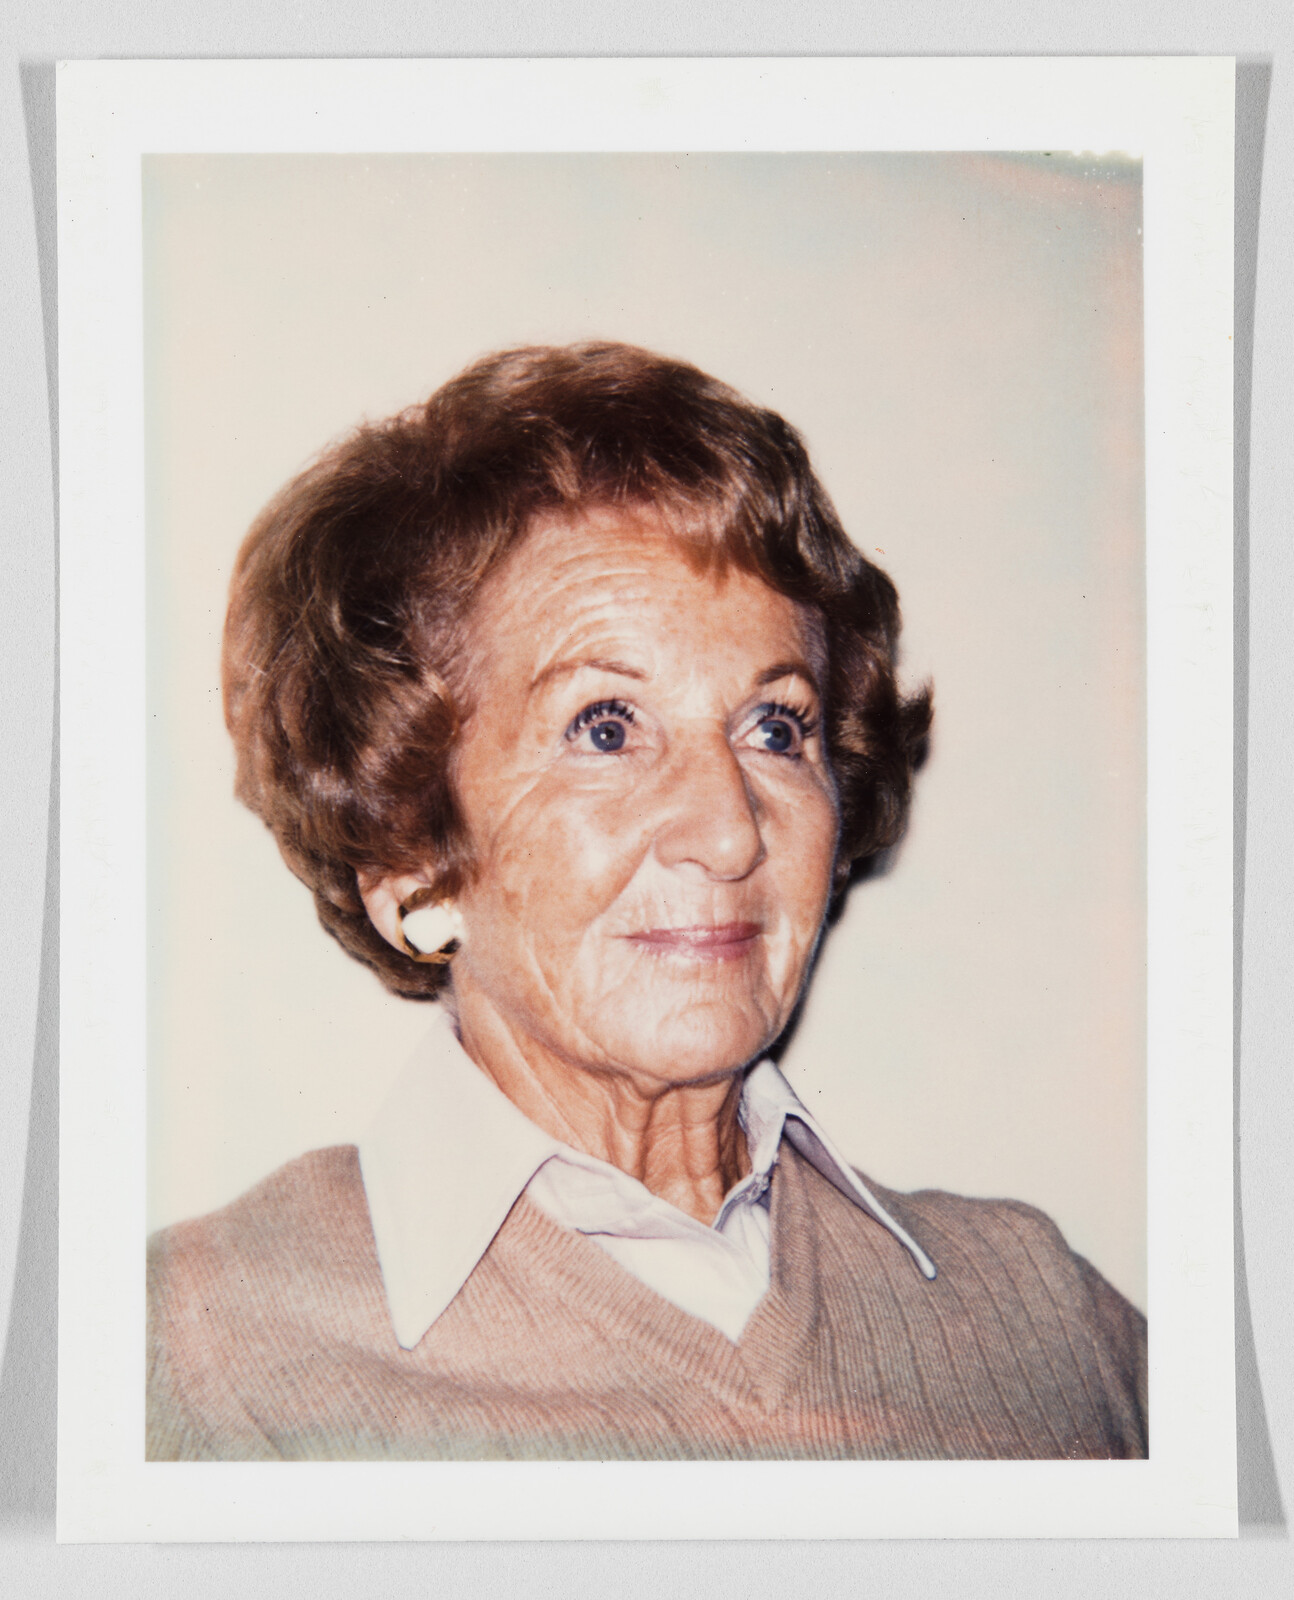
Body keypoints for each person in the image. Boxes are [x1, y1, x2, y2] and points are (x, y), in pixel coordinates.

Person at [147, 342, 1147, 1461]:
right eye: (606, 728)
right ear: (412, 855)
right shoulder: (196, 1365)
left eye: (776, 726)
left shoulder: (1051, 1325)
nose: (728, 830)